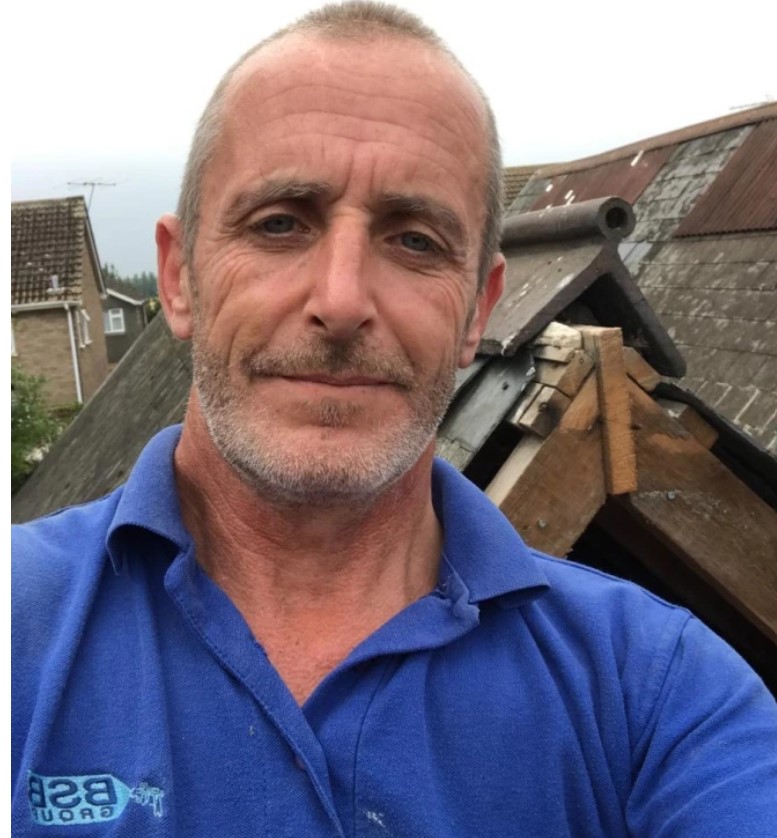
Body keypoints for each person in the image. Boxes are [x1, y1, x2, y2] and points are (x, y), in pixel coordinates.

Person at [12, 2, 777, 835]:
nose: (341, 301)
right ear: (179, 278)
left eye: (414, 241)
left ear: (478, 309)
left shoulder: (661, 695)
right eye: (279, 224)